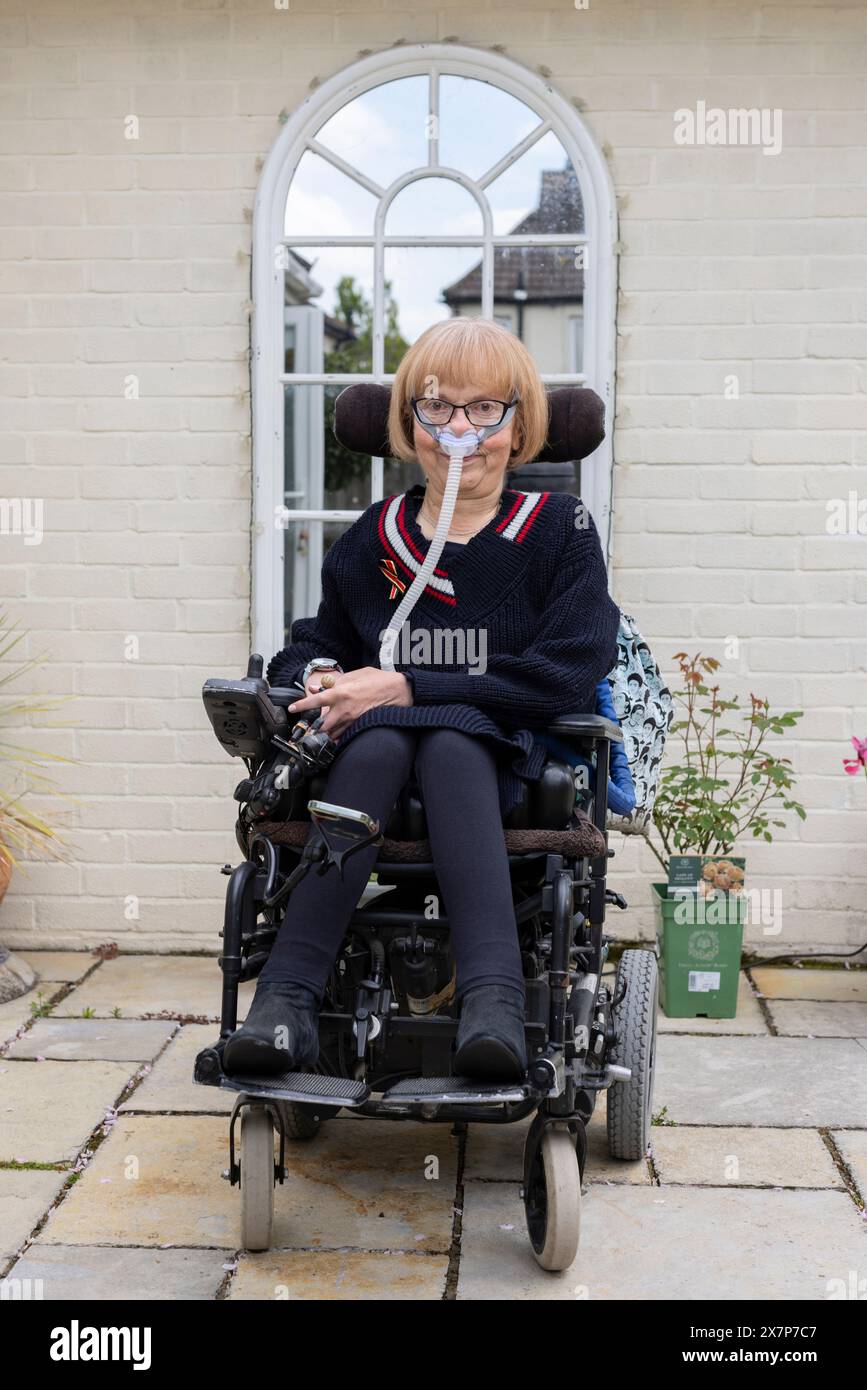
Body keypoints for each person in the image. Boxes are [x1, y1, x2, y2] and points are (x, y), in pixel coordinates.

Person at [222, 316, 620, 1082]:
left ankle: (494, 1001)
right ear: (408, 421)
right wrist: (316, 678)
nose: (458, 429)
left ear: (518, 423)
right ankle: (286, 1003)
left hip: (496, 754)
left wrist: (407, 683)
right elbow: (314, 640)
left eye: (482, 410)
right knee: (377, 740)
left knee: (443, 738)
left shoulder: (559, 530)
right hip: (371, 764)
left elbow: (565, 672)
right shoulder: (377, 535)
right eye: (435, 409)